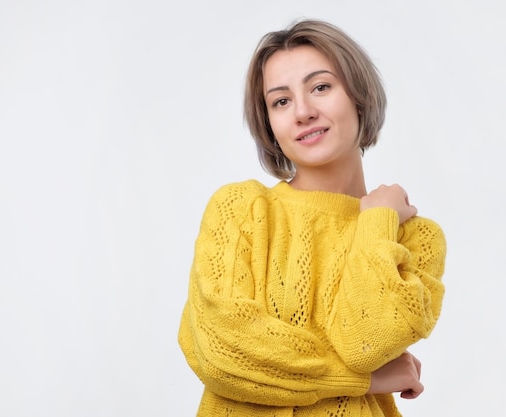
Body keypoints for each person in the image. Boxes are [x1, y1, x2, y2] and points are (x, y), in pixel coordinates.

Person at [178, 18, 446, 417]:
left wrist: (377, 221)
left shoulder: (412, 238)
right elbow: (221, 351)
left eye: (321, 87)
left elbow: (363, 341)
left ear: (358, 95)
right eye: (281, 101)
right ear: (268, 124)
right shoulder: (242, 209)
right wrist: (365, 382)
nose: (303, 112)